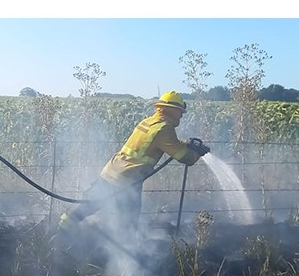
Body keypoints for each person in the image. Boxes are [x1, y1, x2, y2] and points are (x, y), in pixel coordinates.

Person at [58, 90, 210, 236]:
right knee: (128, 222)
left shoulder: (148, 122)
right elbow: (185, 157)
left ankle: (61, 231)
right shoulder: (164, 129)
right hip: (127, 181)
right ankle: (124, 249)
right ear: (172, 110)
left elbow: (163, 142)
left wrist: (186, 142)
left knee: (88, 206)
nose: (181, 115)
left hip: (110, 172)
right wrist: (196, 153)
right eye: (180, 112)